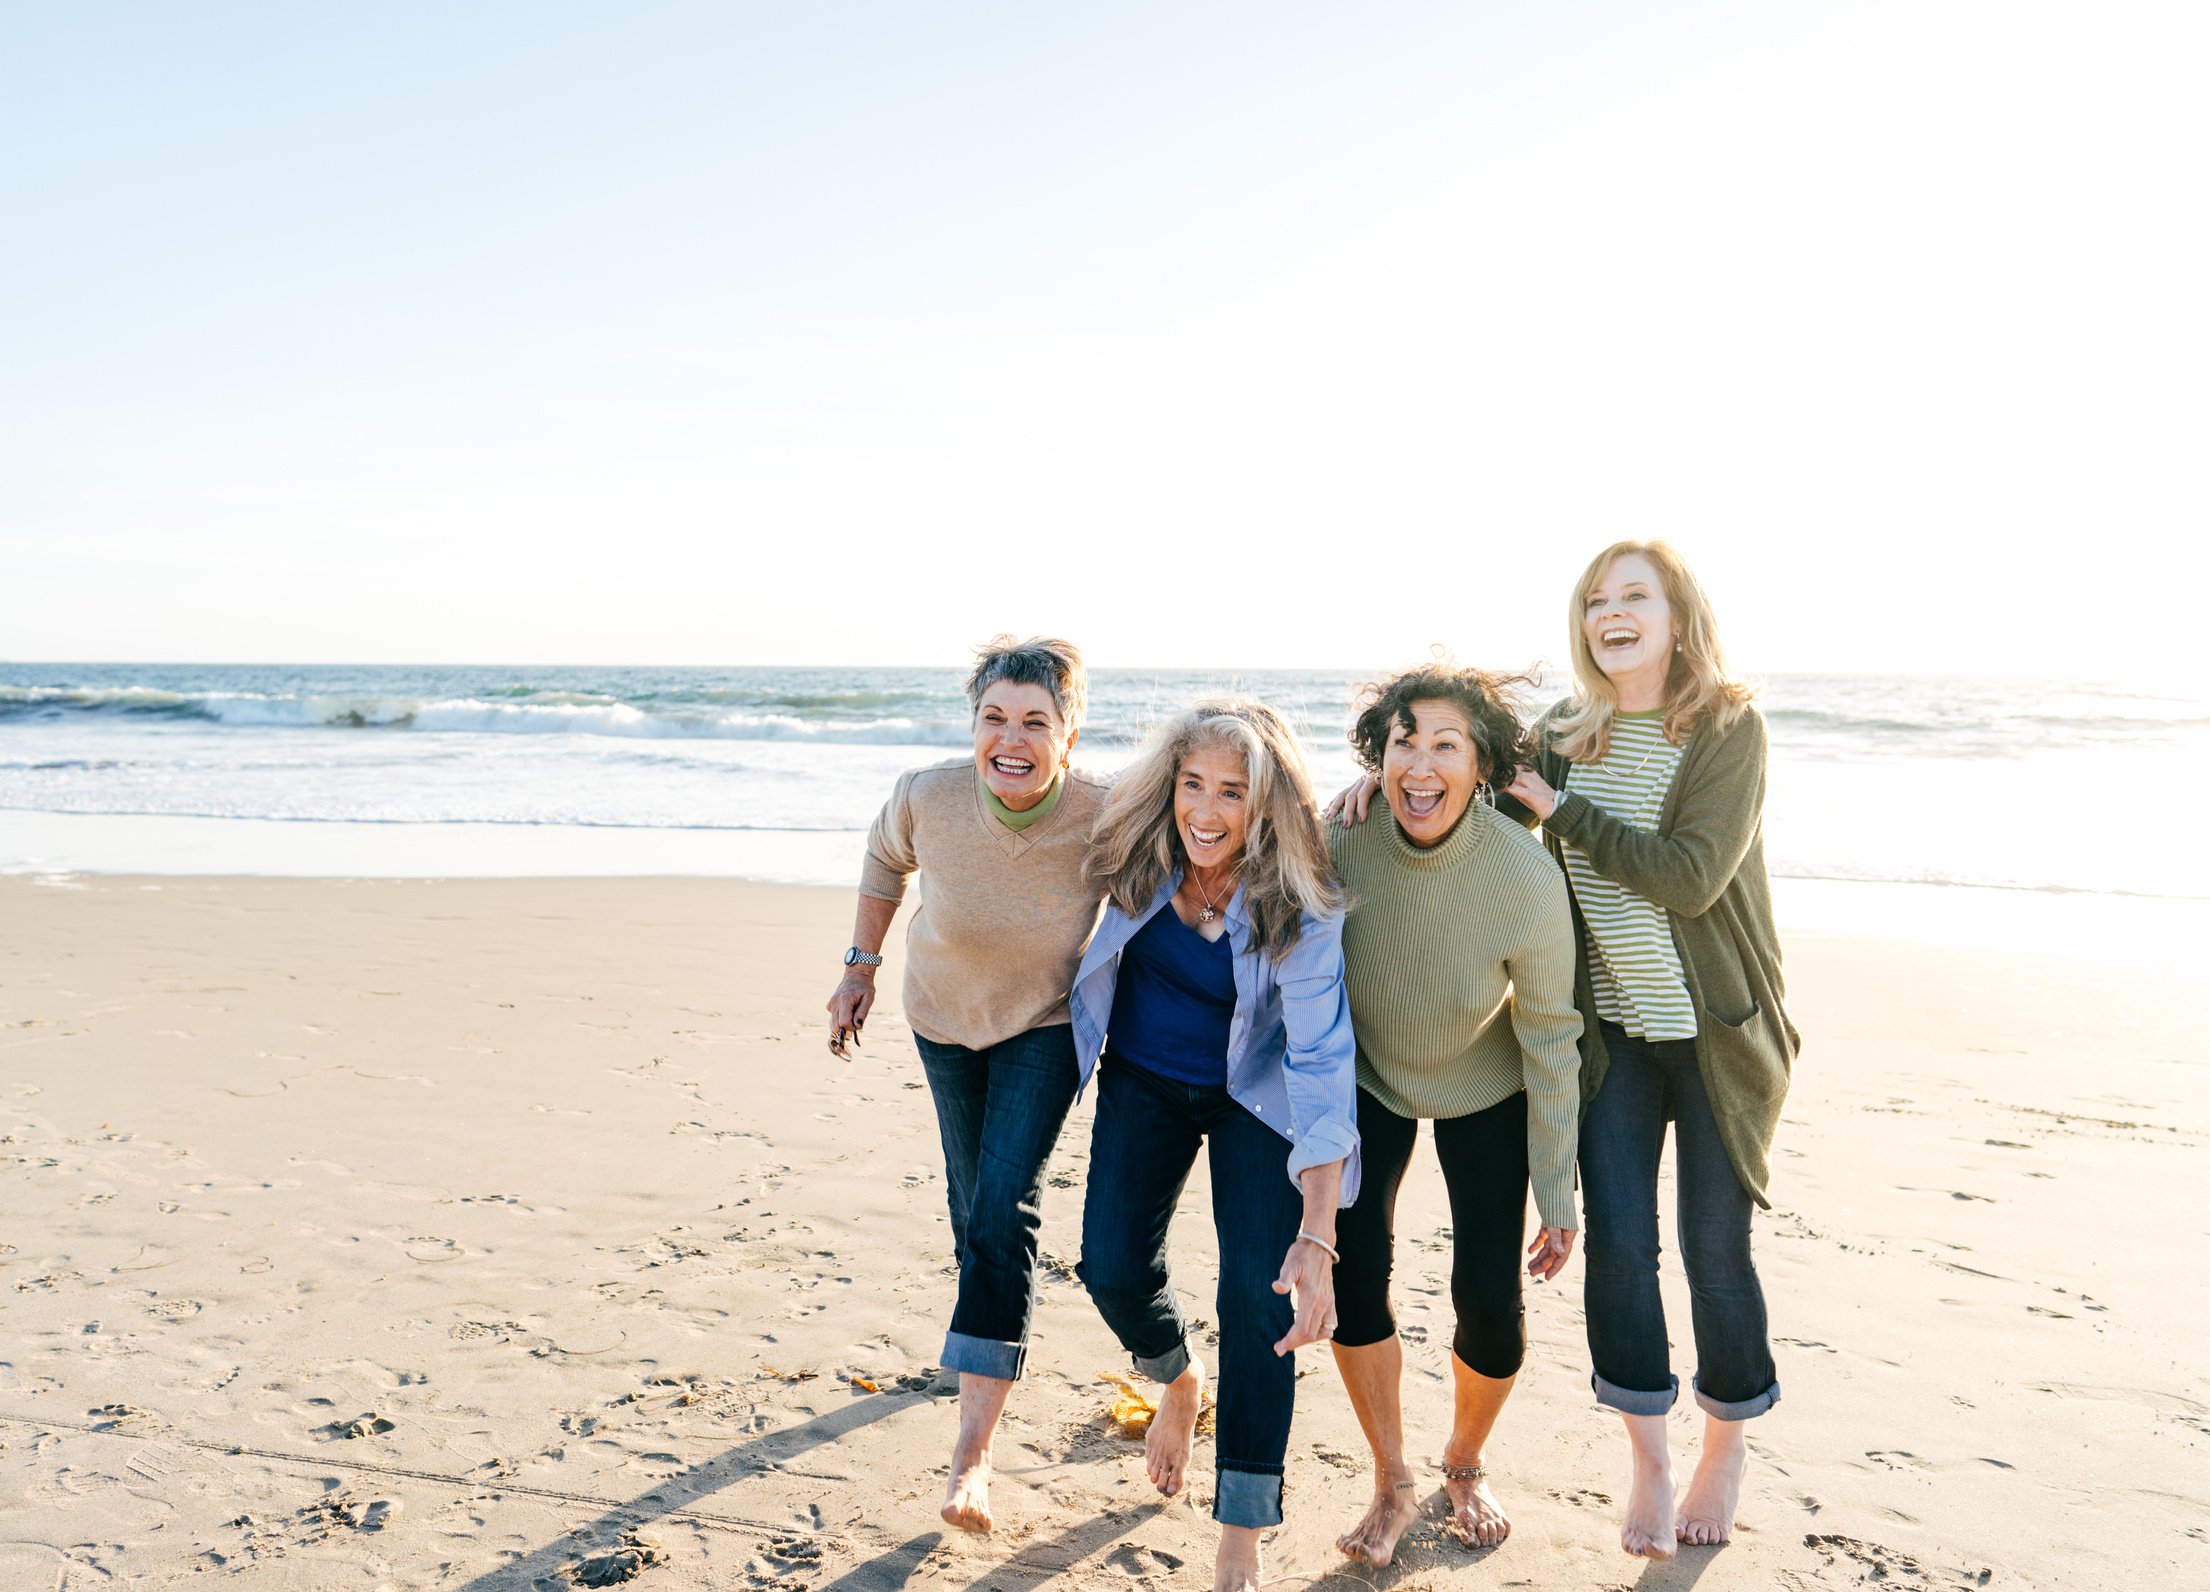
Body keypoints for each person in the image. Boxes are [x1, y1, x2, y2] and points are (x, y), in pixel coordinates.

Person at [1504, 541, 1796, 1557]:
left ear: (1678, 615)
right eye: (1595, 598)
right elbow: (1474, 821)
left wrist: (1559, 808)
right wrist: (1376, 786)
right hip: (1613, 1042)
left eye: (1634, 595)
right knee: (1619, 1249)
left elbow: (1689, 877)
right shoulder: (1558, 733)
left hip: (1716, 1039)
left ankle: (1722, 1445)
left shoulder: (1725, 726)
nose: (1610, 612)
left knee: (1716, 1251)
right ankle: (1647, 1455)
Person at [1069, 699, 1358, 1592]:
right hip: (1144, 1078)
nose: (1206, 809)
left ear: (1265, 805)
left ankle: (1240, 1535)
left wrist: (1317, 1233)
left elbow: (1318, 1061)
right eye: (1192, 783)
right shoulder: (1135, 844)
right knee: (1111, 1266)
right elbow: (1034, 783)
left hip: (1255, 1097)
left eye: (1232, 792)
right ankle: (1177, 1379)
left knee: (1259, 1299)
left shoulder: (1299, 909)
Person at [825, 636, 1108, 1534]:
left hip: (1046, 1024)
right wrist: (859, 969)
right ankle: (986, 1333)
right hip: (941, 1017)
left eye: (1035, 721)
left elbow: (1197, 847)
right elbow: (883, 862)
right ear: (973, 723)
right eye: (994, 718)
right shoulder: (927, 794)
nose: (1010, 740)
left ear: (1070, 733)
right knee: (970, 1194)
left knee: (1002, 1205)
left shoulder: (1104, 810)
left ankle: (972, 1456)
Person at [1322, 663, 1582, 1565]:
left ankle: (1463, 1461)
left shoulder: (1523, 874)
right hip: (1370, 1080)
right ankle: (1393, 1476)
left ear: (1483, 768)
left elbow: (1551, 1037)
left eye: (1447, 745)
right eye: (1404, 743)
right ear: (1377, 755)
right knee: (1356, 1278)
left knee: (1490, 1303)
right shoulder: (1343, 837)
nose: (1421, 766)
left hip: (1489, 1083)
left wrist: (1558, 1187)